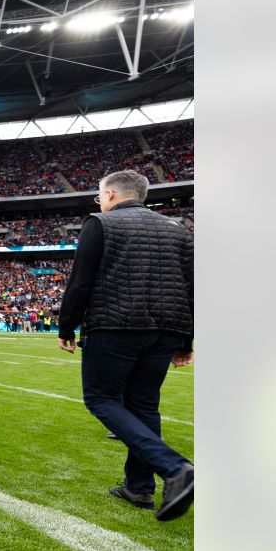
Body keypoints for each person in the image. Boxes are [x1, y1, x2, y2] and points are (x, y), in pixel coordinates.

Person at [58, 169, 194, 521]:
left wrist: (66, 325)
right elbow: (194, 287)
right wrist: (187, 339)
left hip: (115, 323)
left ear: (112, 195)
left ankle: (175, 468)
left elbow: (81, 281)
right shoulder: (179, 230)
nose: (99, 202)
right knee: (144, 405)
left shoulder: (99, 224)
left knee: (101, 399)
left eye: (100, 196)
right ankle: (139, 487)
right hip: (166, 327)